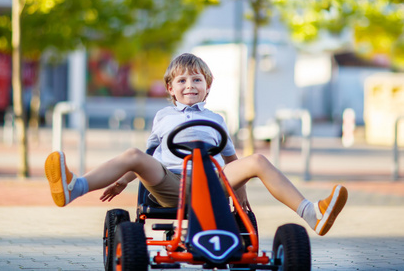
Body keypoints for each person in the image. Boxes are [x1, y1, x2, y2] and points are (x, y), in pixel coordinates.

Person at [45, 53, 348, 236]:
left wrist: (238, 199)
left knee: (256, 160)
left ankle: (312, 213)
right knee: (132, 154)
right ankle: (76, 187)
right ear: (170, 88)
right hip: (170, 184)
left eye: (197, 80)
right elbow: (146, 158)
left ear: (208, 87)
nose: (189, 85)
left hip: (213, 182)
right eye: (182, 81)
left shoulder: (216, 119)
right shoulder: (163, 116)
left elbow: (232, 161)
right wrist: (123, 181)